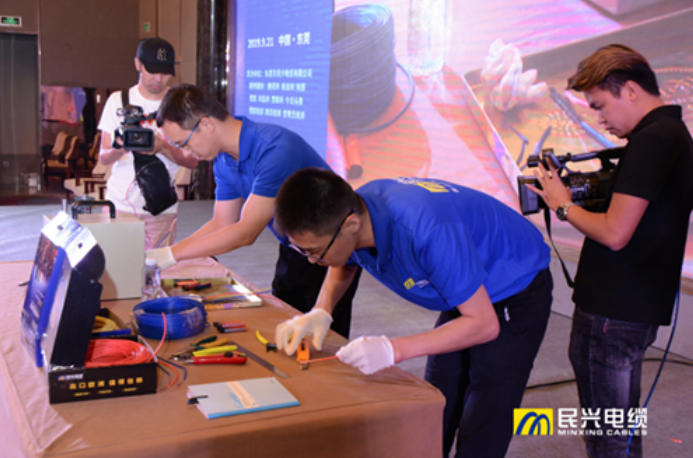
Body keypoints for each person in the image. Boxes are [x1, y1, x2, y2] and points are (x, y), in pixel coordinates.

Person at [273, 169, 553, 458]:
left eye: (316, 252)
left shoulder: (426, 230)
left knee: (488, 401)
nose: (312, 261)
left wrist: (393, 349)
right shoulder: (354, 213)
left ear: (351, 224)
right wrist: (322, 309)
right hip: (462, 285)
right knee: (439, 393)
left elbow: (483, 325)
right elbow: (346, 258)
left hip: (511, 285)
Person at [529, 44, 693, 458]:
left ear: (631, 90)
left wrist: (562, 205)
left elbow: (616, 233)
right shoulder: (673, 133)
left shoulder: (651, 141)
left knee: (608, 440)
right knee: (621, 431)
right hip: (638, 304)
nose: (600, 119)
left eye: (601, 105)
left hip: (612, 311)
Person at [146, 84, 361, 338]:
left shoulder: (274, 149)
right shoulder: (223, 159)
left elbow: (246, 232)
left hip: (332, 247)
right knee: (287, 322)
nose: (185, 153)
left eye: (184, 143)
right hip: (295, 245)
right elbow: (222, 222)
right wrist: (166, 253)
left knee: (324, 337)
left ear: (206, 124)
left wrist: (172, 254)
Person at [97, 37, 198, 250]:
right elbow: (103, 157)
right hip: (120, 204)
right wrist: (122, 147)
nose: (158, 79)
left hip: (161, 207)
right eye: (152, 71)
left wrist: (162, 147)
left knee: (156, 266)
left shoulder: (180, 104)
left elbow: (192, 161)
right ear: (138, 64)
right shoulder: (118, 101)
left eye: (165, 73)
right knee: (118, 264)